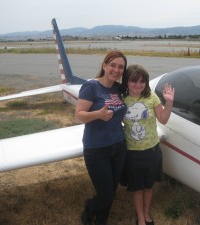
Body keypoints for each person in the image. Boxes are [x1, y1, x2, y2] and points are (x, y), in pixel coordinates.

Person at [75, 51, 128, 225]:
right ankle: (89, 209)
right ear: (104, 65)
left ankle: (101, 220)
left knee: (111, 191)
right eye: (113, 65)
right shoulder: (91, 87)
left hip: (118, 146)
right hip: (97, 149)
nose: (116, 69)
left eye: (121, 67)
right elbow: (79, 116)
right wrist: (98, 114)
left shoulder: (118, 89)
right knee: (105, 195)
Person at [121, 64, 175, 225]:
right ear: (127, 82)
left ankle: (146, 213)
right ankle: (141, 218)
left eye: (142, 82)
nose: (138, 85)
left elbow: (163, 119)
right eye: (134, 81)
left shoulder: (152, 97)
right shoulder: (122, 99)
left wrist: (169, 102)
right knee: (137, 188)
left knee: (149, 186)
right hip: (133, 152)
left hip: (152, 150)